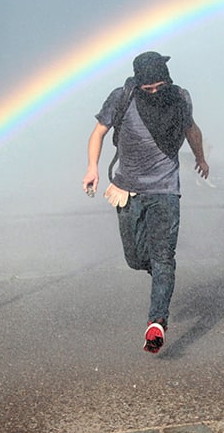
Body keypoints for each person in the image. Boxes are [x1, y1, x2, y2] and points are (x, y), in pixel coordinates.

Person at [82, 51, 209, 354]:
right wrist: (92, 168)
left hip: (166, 190)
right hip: (127, 189)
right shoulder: (122, 97)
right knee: (136, 258)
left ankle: (157, 324)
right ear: (138, 84)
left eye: (159, 86)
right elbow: (98, 132)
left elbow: (191, 129)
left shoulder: (179, 98)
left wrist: (201, 157)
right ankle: (159, 276)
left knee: (163, 257)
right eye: (147, 88)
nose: (154, 92)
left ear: (168, 79)